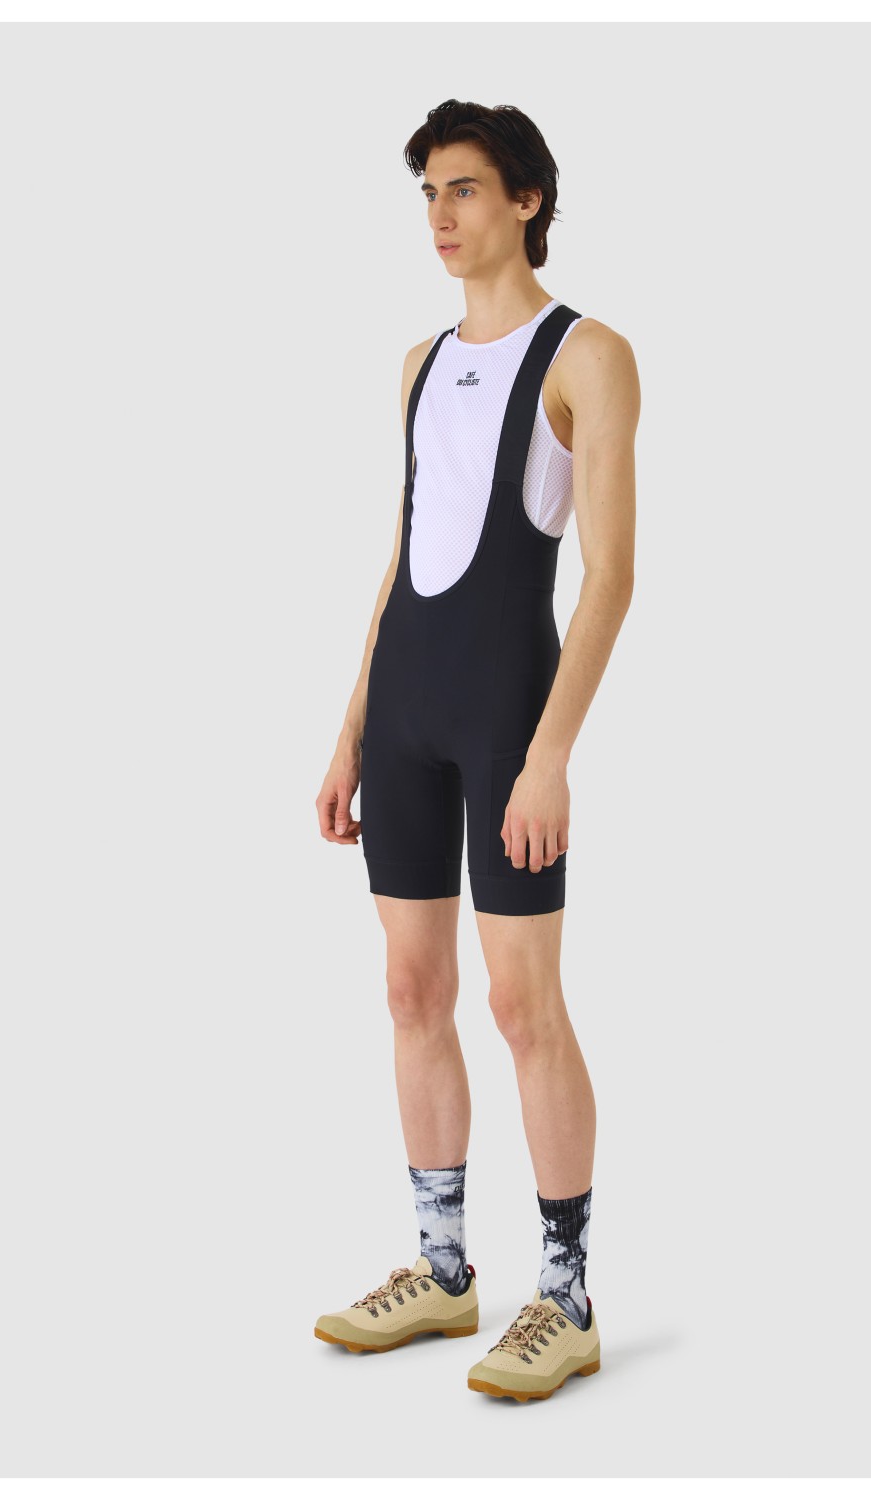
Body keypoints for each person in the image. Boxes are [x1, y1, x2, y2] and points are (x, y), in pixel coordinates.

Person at [313, 98, 639, 1403]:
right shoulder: (417, 363)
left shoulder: (588, 355)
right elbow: (404, 557)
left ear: (526, 200)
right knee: (410, 990)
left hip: (509, 710)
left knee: (520, 1004)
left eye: (464, 189)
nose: (441, 217)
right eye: (429, 194)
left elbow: (610, 576)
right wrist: (349, 730)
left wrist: (551, 754)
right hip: (405, 706)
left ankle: (566, 1298)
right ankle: (446, 1272)